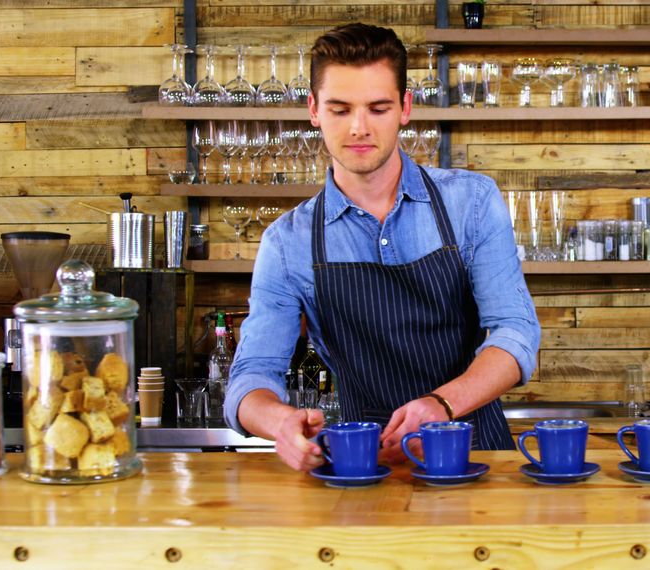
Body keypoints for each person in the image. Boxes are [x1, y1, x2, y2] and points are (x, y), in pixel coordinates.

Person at [224, 23, 540, 472]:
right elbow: (251, 376)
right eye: (339, 109)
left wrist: (440, 406)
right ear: (313, 110)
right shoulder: (287, 242)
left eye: (377, 108)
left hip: (475, 452)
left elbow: (516, 333)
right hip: (363, 464)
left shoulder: (470, 201)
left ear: (405, 109)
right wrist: (279, 422)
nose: (359, 128)